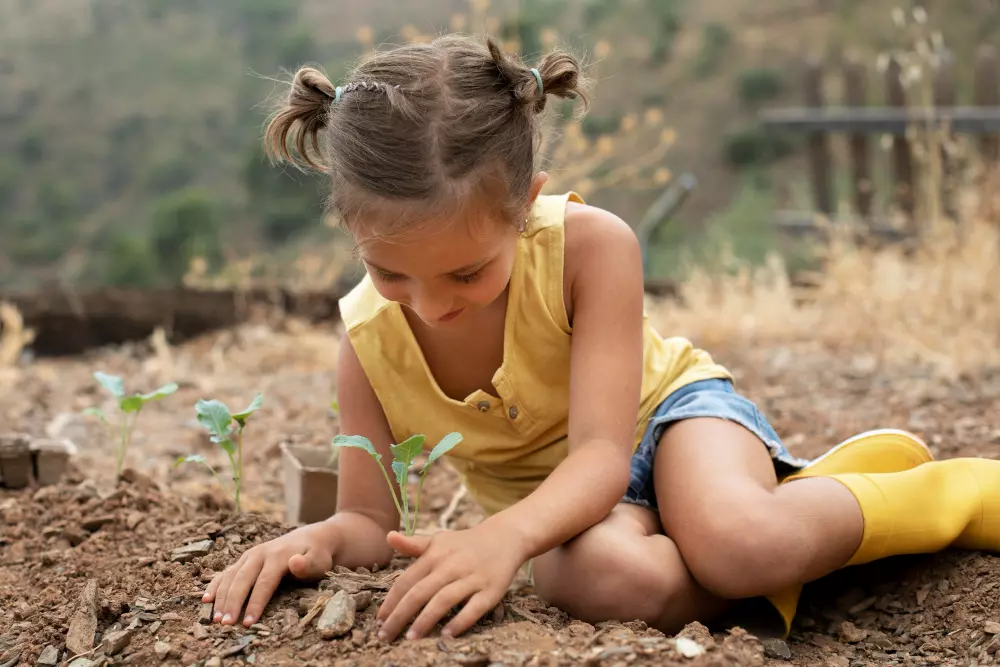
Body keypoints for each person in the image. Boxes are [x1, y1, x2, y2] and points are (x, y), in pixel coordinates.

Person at [202, 33, 1000, 643]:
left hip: (667, 423)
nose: (431, 305)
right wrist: (313, 540)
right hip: (573, 520)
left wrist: (500, 535)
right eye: (392, 273)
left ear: (528, 204)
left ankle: (949, 496)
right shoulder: (367, 343)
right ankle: (788, 539)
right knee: (596, 579)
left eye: (468, 273)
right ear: (351, 232)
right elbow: (370, 521)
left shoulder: (590, 246)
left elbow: (600, 455)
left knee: (740, 541)